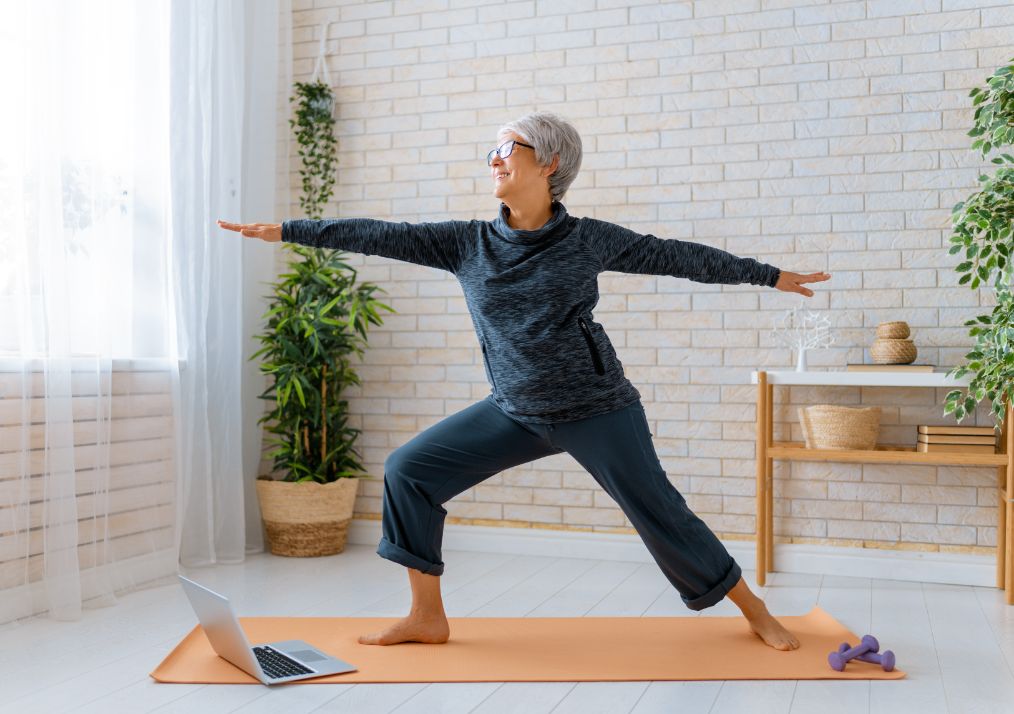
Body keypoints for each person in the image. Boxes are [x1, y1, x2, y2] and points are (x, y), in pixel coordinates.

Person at [219, 111, 830, 652]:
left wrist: (771, 276)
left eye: (506, 148)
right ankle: (426, 618)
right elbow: (381, 234)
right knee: (409, 471)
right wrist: (291, 230)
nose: (494, 159)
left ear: (549, 163)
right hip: (514, 410)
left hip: (597, 408)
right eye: (491, 150)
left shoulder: (589, 240)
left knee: (659, 511)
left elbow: (679, 256)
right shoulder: (466, 243)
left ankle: (756, 613)